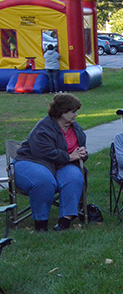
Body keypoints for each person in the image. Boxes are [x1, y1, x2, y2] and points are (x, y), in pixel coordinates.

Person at [13, 93, 88, 232]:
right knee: (44, 181)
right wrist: (70, 157)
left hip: (61, 165)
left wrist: (82, 153)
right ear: (62, 112)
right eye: (73, 112)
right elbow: (43, 152)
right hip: (32, 161)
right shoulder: (44, 128)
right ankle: (41, 225)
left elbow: (80, 148)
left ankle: (64, 222)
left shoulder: (74, 127)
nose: (76, 115)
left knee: (74, 177)